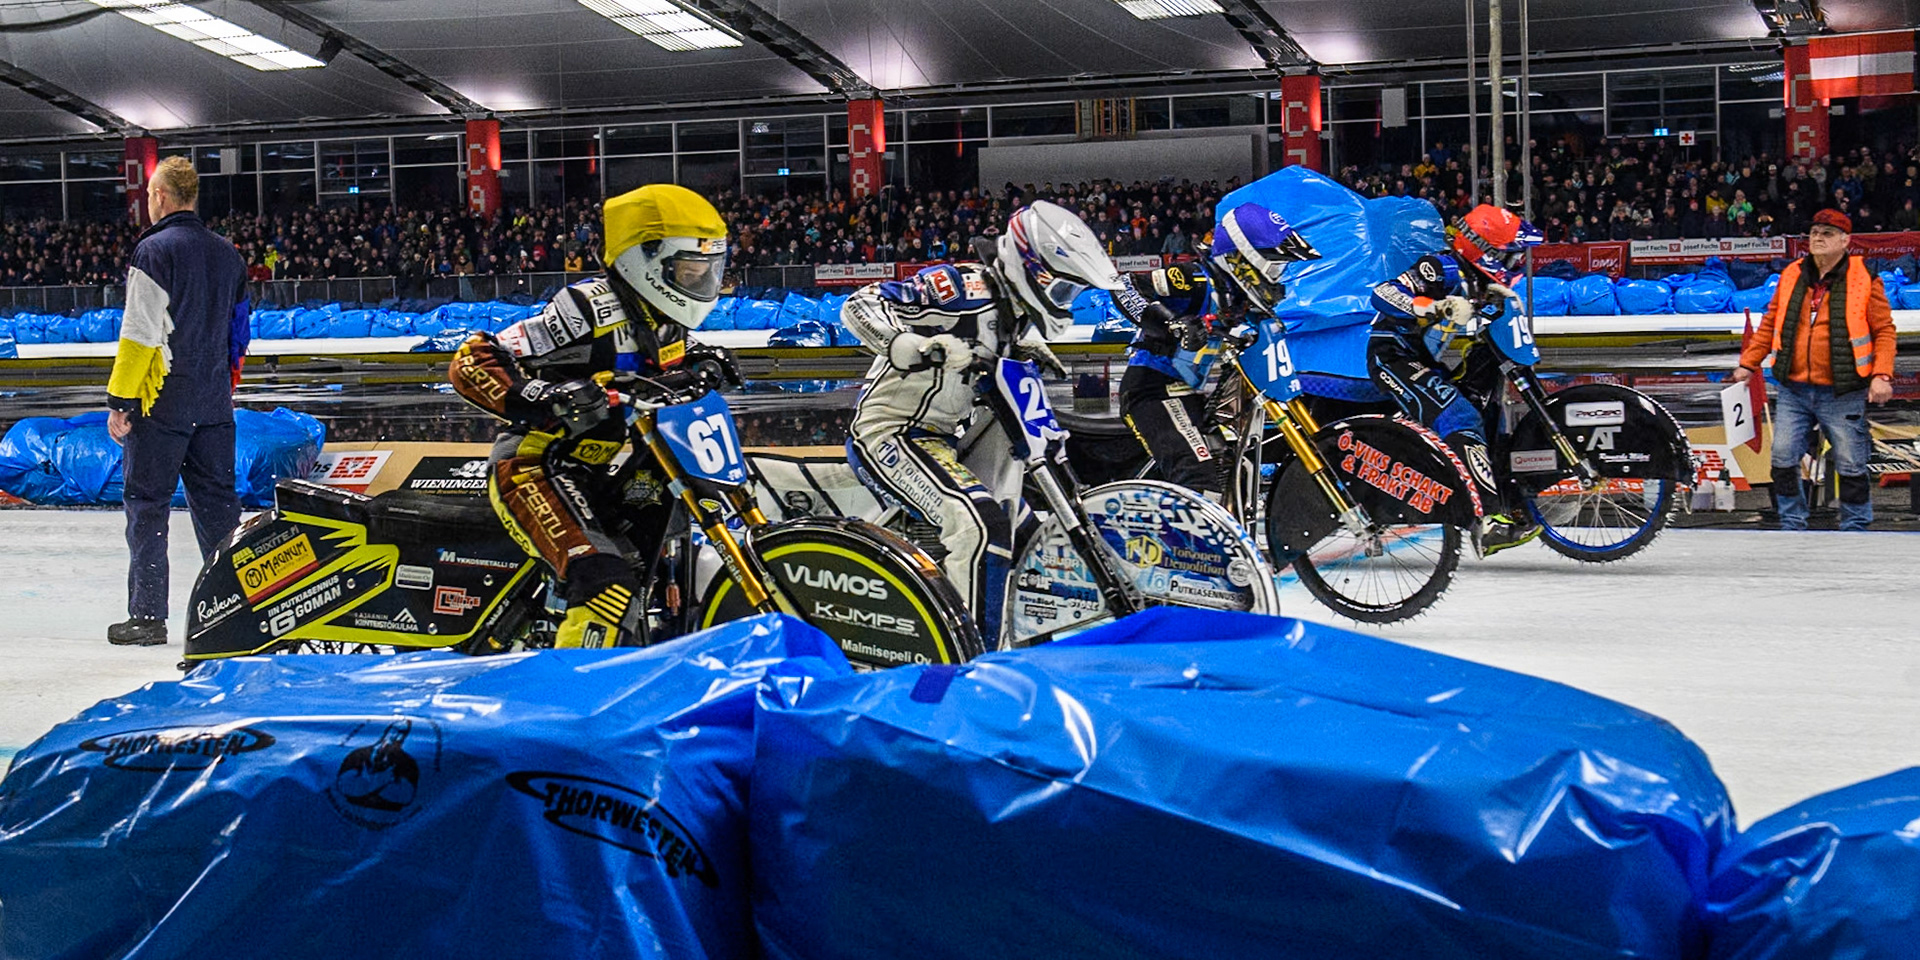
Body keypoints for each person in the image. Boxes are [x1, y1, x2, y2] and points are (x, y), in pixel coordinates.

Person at [448, 183, 733, 648]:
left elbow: (663, 364)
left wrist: (705, 360)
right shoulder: (588, 309)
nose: (702, 283)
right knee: (607, 585)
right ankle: (576, 705)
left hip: (609, 471)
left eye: (707, 271)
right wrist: (546, 396)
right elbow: (474, 358)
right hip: (540, 465)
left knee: (654, 569)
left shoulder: (665, 320)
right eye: (689, 271)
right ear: (647, 262)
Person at [842, 200, 1119, 642]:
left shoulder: (1014, 312)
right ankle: (968, 655)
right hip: (889, 433)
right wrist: (905, 344)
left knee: (1030, 535)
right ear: (1032, 268)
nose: (1065, 303)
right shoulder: (960, 287)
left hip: (946, 440)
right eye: (1064, 291)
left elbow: (994, 343)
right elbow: (861, 304)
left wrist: (1022, 348)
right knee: (980, 526)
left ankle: (1027, 645)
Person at [103, 156, 250, 646]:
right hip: (213, 403)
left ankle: (148, 618)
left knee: (147, 505)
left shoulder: (154, 252)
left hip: (162, 404)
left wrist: (120, 398)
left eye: (149, 196)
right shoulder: (229, 253)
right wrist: (226, 384)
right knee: (219, 512)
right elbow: (239, 332)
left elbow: (140, 334)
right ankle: (236, 611)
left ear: (161, 197)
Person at [1366, 202, 1541, 555]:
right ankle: (1487, 522)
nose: (1516, 265)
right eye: (1510, 256)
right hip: (1393, 357)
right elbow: (1382, 293)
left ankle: (1501, 495)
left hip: (1422, 360)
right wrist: (1433, 306)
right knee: (1461, 416)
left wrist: (1497, 302)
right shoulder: (1440, 268)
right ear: (1486, 249)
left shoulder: (1474, 280)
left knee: (1484, 403)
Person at [1113, 202, 1320, 498]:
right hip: (1153, 389)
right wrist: (1172, 325)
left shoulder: (1239, 298)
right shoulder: (1194, 279)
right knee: (1201, 481)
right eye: (1273, 266)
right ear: (1242, 257)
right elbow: (1124, 286)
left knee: (1229, 471)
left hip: (1190, 394)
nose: (1276, 276)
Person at [1734, 208, 1897, 530]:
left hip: (1843, 391)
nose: (1818, 238)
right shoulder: (1792, 274)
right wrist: (1747, 364)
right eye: (1814, 233)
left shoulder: (1866, 277)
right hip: (1794, 388)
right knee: (1781, 459)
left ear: (1845, 241)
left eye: (1827, 233)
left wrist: (1882, 375)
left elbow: (1884, 331)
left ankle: (1855, 526)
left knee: (1851, 463)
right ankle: (1792, 523)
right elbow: (1769, 324)